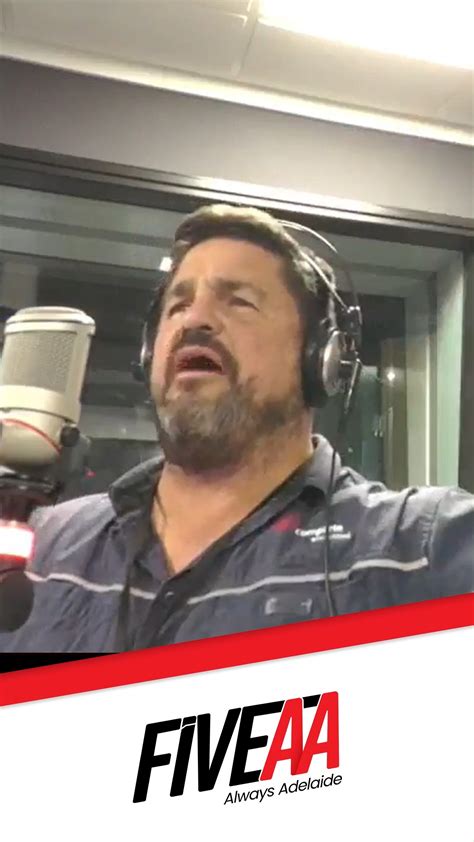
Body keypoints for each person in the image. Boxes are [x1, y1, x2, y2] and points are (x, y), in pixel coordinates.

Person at [0, 204, 472, 652]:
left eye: (239, 302)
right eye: (177, 306)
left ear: (320, 360)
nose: (195, 320)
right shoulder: (40, 546)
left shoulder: (418, 549)